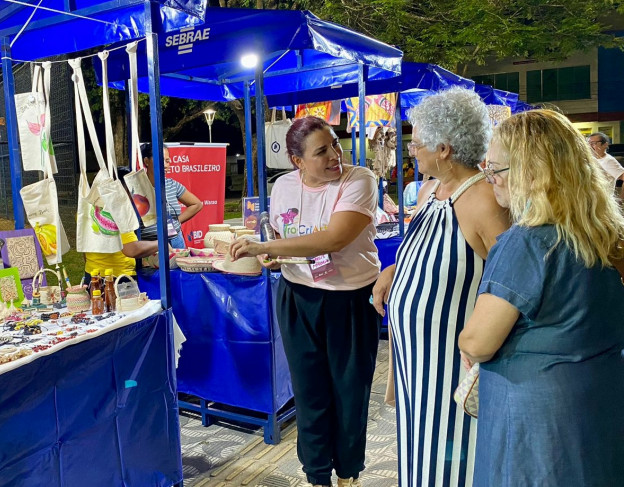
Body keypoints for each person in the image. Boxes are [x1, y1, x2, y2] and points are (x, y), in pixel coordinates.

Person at [458, 110, 624, 486]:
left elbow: (479, 341)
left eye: (497, 169)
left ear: (532, 173)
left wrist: (464, 341)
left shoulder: (529, 241)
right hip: (599, 406)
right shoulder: (606, 234)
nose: (492, 179)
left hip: (538, 422)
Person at [229, 116, 381, 487]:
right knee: (309, 392)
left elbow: (334, 238)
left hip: (350, 300)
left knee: (349, 391)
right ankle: (316, 476)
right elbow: (283, 239)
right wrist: (272, 255)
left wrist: (266, 246)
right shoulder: (282, 186)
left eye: (334, 144)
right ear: (297, 161)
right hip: (298, 297)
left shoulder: (359, 180)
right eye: (321, 151)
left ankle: (348, 473)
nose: (335, 155)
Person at [370, 88, 511, 487]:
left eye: (416, 142)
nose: (411, 149)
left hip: (452, 367)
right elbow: (429, 250)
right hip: (416, 364)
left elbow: (514, 280)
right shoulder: (432, 190)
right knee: (419, 454)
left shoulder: (483, 199)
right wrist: (396, 269)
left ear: (444, 148)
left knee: (450, 461)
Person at [83, 167, 160, 283]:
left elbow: (85, 246)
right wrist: (161, 244)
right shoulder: (118, 211)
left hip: (92, 275)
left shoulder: (88, 208)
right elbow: (131, 249)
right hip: (118, 278)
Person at [137, 143, 203, 248]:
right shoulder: (136, 188)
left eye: (167, 161)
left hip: (176, 242)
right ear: (146, 161)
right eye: (161, 160)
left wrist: (176, 222)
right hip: (149, 246)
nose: (165, 165)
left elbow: (197, 204)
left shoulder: (172, 184)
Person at [587, 132, 624, 198]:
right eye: (588, 143)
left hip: (604, 201)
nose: (589, 146)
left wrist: (621, 199)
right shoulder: (591, 159)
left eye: (593, 143)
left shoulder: (608, 161)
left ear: (605, 145)